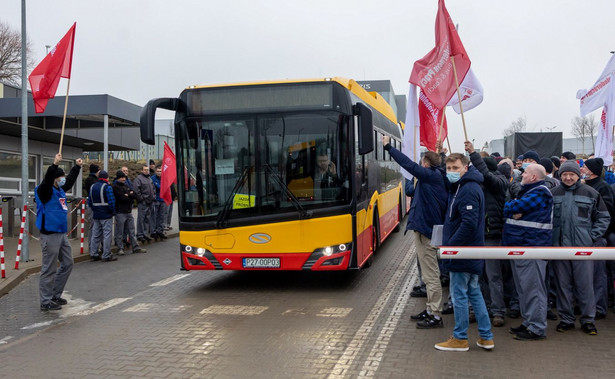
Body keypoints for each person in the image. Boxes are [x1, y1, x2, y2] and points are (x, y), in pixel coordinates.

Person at [383, 136, 447, 329]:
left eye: (421, 163)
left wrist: (388, 147)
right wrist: (441, 152)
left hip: (427, 229)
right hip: (422, 227)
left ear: (425, 164)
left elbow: (407, 164)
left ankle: (435, 313)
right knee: (428, 274)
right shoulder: (434, 176)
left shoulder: (432, 175)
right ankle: (429, 309)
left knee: (431, 273)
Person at [435, 153, 494, 352]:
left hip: (463, 252)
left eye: (455, 168)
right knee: (474, 293)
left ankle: (460, 338)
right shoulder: (462, 186)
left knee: (459, 294)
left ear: (465, 168)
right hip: (468, 251)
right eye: (448, 168)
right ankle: (486, 336)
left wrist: (451, 247)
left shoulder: (467, 189)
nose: (451, 172)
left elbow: (468, 223)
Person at [551, 161, 610, 335]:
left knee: (585, 286)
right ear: (560, 175)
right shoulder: (553, 194)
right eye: (564, 174)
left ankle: (588, 320)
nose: (568, 178)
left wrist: (591, 236)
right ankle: (566, 319)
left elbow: (604, 217)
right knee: (563, 285)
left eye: (572, 174)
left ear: (578, 175)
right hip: (559, 248)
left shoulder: (591, 193)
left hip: (583, 249)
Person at [465, 141, 518, 327]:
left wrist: (473, 153)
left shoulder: (499, 182)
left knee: (493, 276)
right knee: (476, 277)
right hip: (476, 236)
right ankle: (478, 308)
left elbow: (486, 175)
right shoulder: (476, 184)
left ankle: (497, 311)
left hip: (492, 235)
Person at [503, 164, 553, 341]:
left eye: (525, 173)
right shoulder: (529, 191)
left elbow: (512, 207)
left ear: (533, 177)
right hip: (522, 246)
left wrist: (513, 207)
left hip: (531, 247)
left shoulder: (540, 192)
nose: (521, 175)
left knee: (533, 290)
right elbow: (513, 208)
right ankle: (529, 322)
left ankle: (537, 327)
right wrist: (514, 207)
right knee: (524, 289)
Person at [35, 153, 83, 311]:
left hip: (61, 234)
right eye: (61, 176)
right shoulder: (45, 191)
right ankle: (45, 301)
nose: (63, 179)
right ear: (55, 178)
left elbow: (69, 182)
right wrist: (54, 165)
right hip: (50, 234)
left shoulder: (59, 189)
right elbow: (47, 180)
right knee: (49, 268)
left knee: (68, 263)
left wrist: (77, 167)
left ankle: (55, 294)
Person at [579, 158, 614, 320]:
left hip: (598, 238)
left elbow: (606, 213)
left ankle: (599, 307)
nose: (582, 169)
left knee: (598, 275)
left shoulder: (603, 188)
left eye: (584, 167)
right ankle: (587, 305)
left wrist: (595, 234)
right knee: (585, 276)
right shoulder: (583, 186)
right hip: (583, 237)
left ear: (592, 171)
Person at [112, 170, 146, 255]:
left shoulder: (126, 186)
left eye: (124, 177)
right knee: (120, 231)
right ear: (118, 178)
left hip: (128, 211)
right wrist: (128, 195)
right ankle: (120, 248)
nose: (124, 179)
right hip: (120, 212)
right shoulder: (115, 187)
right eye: (122, 177)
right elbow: (122, 198)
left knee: (132, 230)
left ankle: (135, 247)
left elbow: (134, 195)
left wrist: (128, 195)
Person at [89, 170, 117, 262]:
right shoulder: (107, 187)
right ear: (106, 178)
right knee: (107, 235)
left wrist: (95, 210)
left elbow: (90, 202)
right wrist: (113, 212)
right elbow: (111, 201)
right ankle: (106, 255)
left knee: (95, 235)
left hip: (96, 214)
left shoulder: (92, 187)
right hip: (106, 214)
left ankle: (94, 254)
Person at [134, 165, 156, 242]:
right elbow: (136, 191)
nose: (146, 171)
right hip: (143, 202)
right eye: (145, 170)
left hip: (150, 202)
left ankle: (145, 234)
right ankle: (140, 234)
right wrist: (142, 199)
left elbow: (153, 189)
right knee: (141, 219)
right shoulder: (138, 179)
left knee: (147, 219)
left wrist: (153, 197)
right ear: (141, 170)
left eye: (147, 170)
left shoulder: (149, 178)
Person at [84, 164, 100, 254]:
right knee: (94, 227)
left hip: (92, 205)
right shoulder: (92, 181)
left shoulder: (90, 180)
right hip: (93, 206)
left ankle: (94, 247)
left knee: (95, 227)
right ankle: (92, 248)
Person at [150, 165, 168, 240]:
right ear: (155, 171)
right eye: (158, 171)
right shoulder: (152, 178)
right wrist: (161, 187)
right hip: (156, 200)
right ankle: (153, 231)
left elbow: (166, 187)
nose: (159, 173)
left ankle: (160, 230)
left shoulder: (164, 178)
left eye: (160, 171)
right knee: (154, 216)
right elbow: (157, 187)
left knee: (161, 216)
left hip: (162, 200)